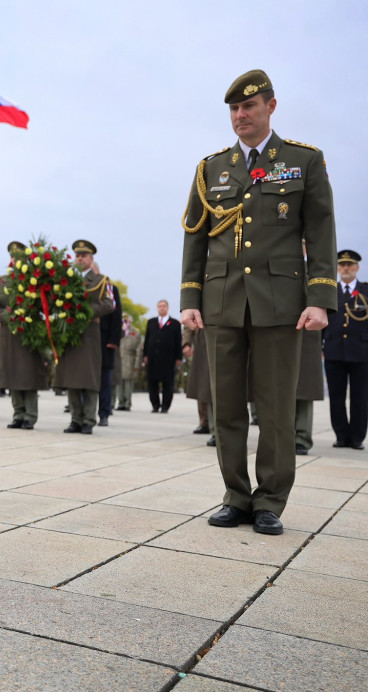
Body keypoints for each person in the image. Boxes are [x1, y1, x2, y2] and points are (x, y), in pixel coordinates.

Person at [180, 69, 337, 535]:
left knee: (275, 408)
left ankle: (269, 500)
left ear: (271, 106)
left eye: (248, 106)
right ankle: (235, 495)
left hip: (280, 302)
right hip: (223, 299)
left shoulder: (302, 161)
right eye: (233, 109)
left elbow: (321, 232)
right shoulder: (212, 168)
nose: (240, 116)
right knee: (224, 403)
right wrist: (191, 296)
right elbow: (195, 236)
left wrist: (320, 298)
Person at [55, 240, 115, 434]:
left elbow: (108, 304)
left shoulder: (100, 281)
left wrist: (86, 311)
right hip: (69, 334)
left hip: (89, 335)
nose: (80, 258)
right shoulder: (67, 279)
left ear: (91, 259)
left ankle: (89, 419)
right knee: (72, 378)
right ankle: (75, 419)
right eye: (77, 255)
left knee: (88, 379)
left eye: (84, 256)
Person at [0, 241, 49, 429]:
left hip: (28, 334)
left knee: (28, 375)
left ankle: (30, 415)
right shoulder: (2, 281)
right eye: (12, 257)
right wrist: (10, 316)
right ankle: (18, 414)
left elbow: (43, 305)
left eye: (18, 257)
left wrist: (26, 315)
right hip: (8, 334)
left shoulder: (33, 280)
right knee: (12, 374)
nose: (14, 260)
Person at [323, 250, 367, 450]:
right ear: (337, 268)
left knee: (360, 397)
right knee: (336, 397)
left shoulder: (366, 292)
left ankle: (357, 437)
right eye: (342, 265)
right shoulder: (329, 292)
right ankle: (341, 436)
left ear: (357, 268)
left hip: (361, 352)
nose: (345, 268)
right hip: (334, 350)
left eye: (349, 265)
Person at [143, 300, 182, 413]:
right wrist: (145, 355)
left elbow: (178, 341)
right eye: (160, 306)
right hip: (153, 358)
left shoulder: (175, 323)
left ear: (168, 308)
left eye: (164, 306)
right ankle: (155, 405)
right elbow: (146, 340)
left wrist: (178, 357)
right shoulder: (151, 322)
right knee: (152, 383)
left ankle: (165, 406)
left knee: (168, 383)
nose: (162, 308)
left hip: (168, 359)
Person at [97, 270, 123, 426]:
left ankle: (104, 413)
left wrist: (114, 339)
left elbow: (116, 313)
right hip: (88, 341)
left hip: (105, 340)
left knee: (105, 379)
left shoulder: (109, 288)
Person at [182, 324, 215, 445]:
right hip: (202, 338)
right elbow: (189, 319)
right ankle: (206, 423)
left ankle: (217, 429)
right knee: (203, 384)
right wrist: (186, 343)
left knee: (211, 384)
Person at [115, 316, 142, 411]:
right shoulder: (118, 330)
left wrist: (136, 364)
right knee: (119, 383)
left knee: (128, 383)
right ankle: (120, 402)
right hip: (119, 358)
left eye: (126, 320)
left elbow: (138, 350)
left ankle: (127, 403)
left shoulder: (135, 332)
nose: (125, 321)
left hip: (130, 359)